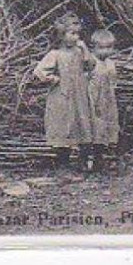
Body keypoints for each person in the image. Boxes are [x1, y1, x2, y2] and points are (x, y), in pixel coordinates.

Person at [33, 12, 95, 170]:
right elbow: (39, 71)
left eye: (78, 34)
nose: (76, 37)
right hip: (61, 96)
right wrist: (53, 79)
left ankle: (83, 161)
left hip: (79, 95)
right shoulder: (55, 54)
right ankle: (63, 161)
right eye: (72, 33)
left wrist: (85, 49)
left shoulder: (79, 51)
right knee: (63, 125)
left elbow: (91, 65)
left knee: (81, 123)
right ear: (61, 35)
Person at [86, 28, 121, 172]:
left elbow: (113, 82)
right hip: (94, 100)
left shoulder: (110, 63)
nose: (105, 52)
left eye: (109, 48)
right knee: (95, 128)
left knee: (109, 127)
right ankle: (94, 159)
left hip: (108, 100)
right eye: (101, 48)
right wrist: (93, 102)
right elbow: (87, 84)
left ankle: (107, 157)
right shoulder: (91, 63)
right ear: (93, 48)